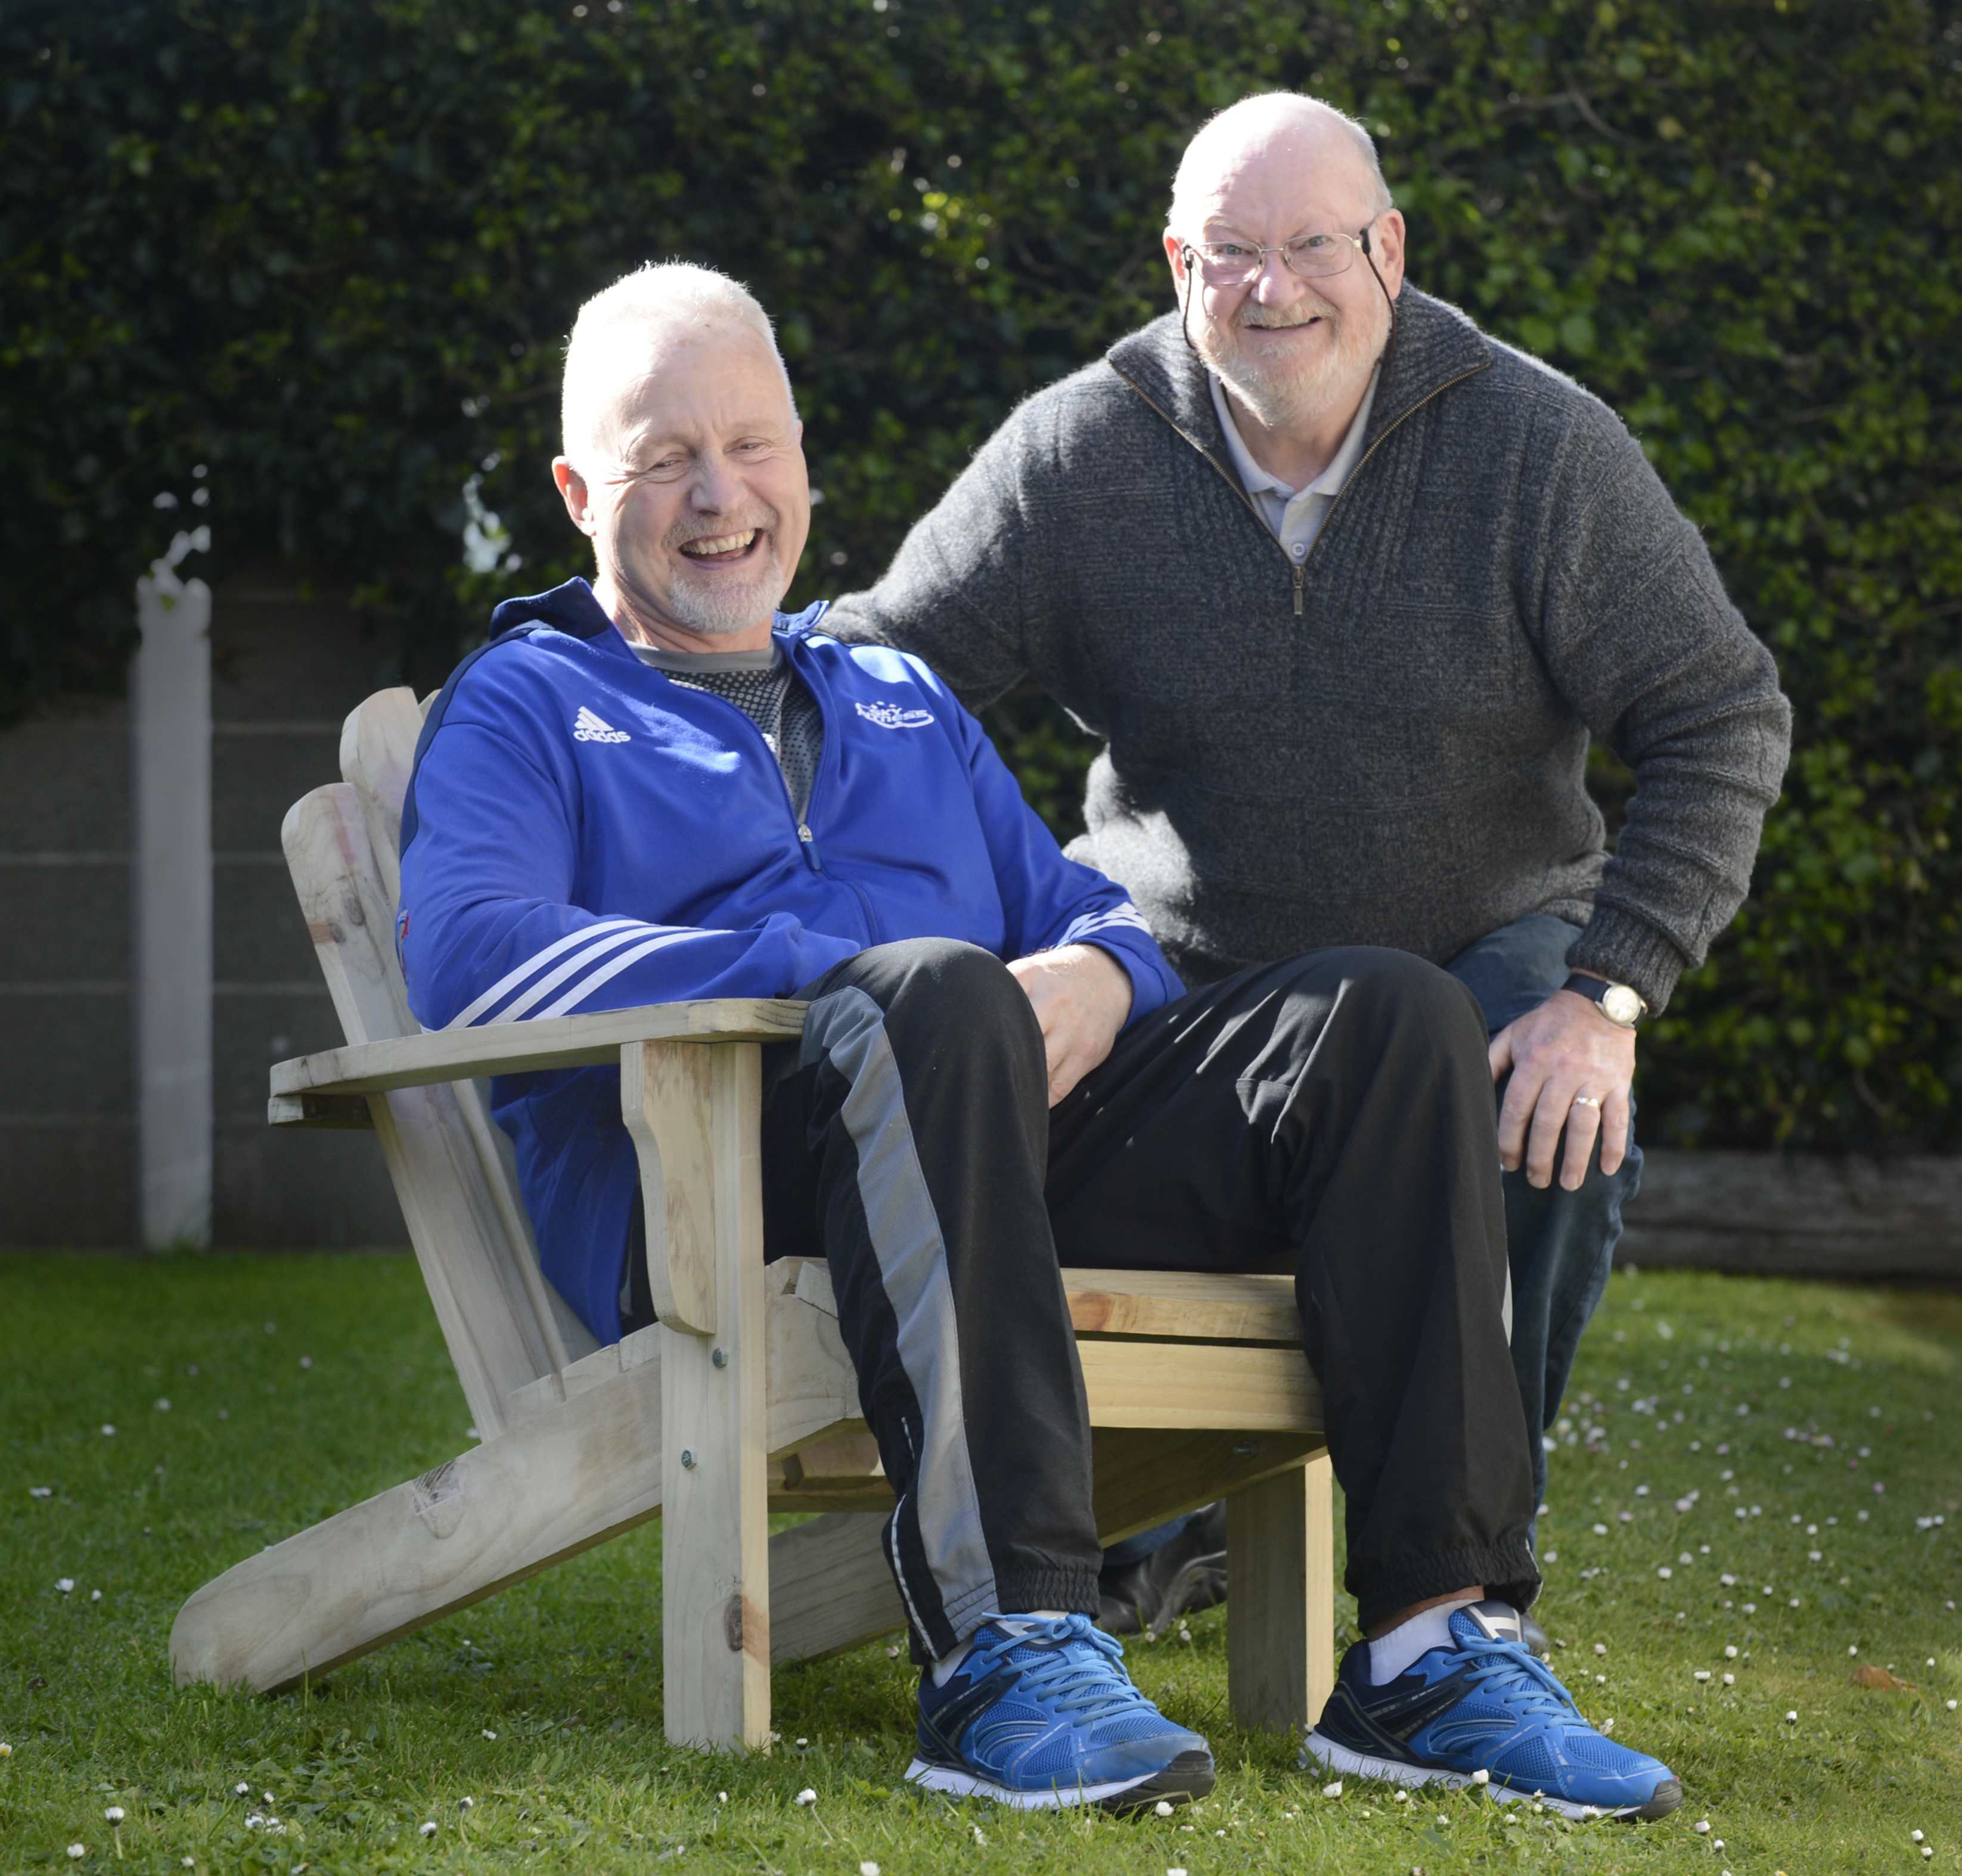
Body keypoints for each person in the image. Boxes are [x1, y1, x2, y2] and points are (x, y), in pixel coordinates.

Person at [395, 261, 1683, 1821]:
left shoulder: (890, 698)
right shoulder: (529, 702)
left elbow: (1085, 907)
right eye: (663, 456)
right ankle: (1008, 1641)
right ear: (576, 487)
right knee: (927, 985)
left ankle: (1430, 1643)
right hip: (728, 1185)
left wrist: (1093, 974)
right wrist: (834, 972)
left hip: (987, 1141)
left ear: (802, 461)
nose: (717, 493)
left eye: (750, 445)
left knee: (1386, 1014)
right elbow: (470, 956)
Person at [826, 94, 1793, 1604]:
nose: (1271, 287)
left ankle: (1454, 1588)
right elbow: (885, 675)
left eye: (1311, 247)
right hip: (1197, 979)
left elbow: (1722, 713)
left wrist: (1605, 997)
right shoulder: (1080, 454)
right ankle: (1169, 1513)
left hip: (1480, 945)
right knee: (1041, 1103)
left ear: (1386, 250)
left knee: (1547, 1118)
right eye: (1228, 254)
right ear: (1174, 266)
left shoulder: (1536, 449)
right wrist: (661, 681)